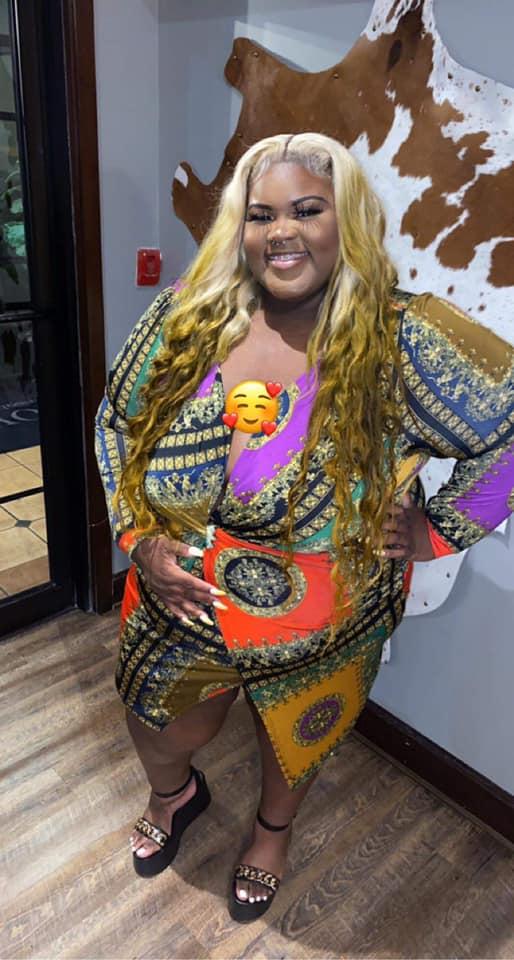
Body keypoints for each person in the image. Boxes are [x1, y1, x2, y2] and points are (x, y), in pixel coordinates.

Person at [95, 132, 514, 922]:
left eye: (307, 210)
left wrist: (436, 531)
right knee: (157, 720)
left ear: (346, 219)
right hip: (179, 597)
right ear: (239, 227)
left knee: (297, 740)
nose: (281, 231)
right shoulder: (187, 314)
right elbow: (117, 422)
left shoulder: (403, 337)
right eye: (261, 215)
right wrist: (136, 536)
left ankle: (271, 833)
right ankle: (173, 795)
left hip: (327, 615)